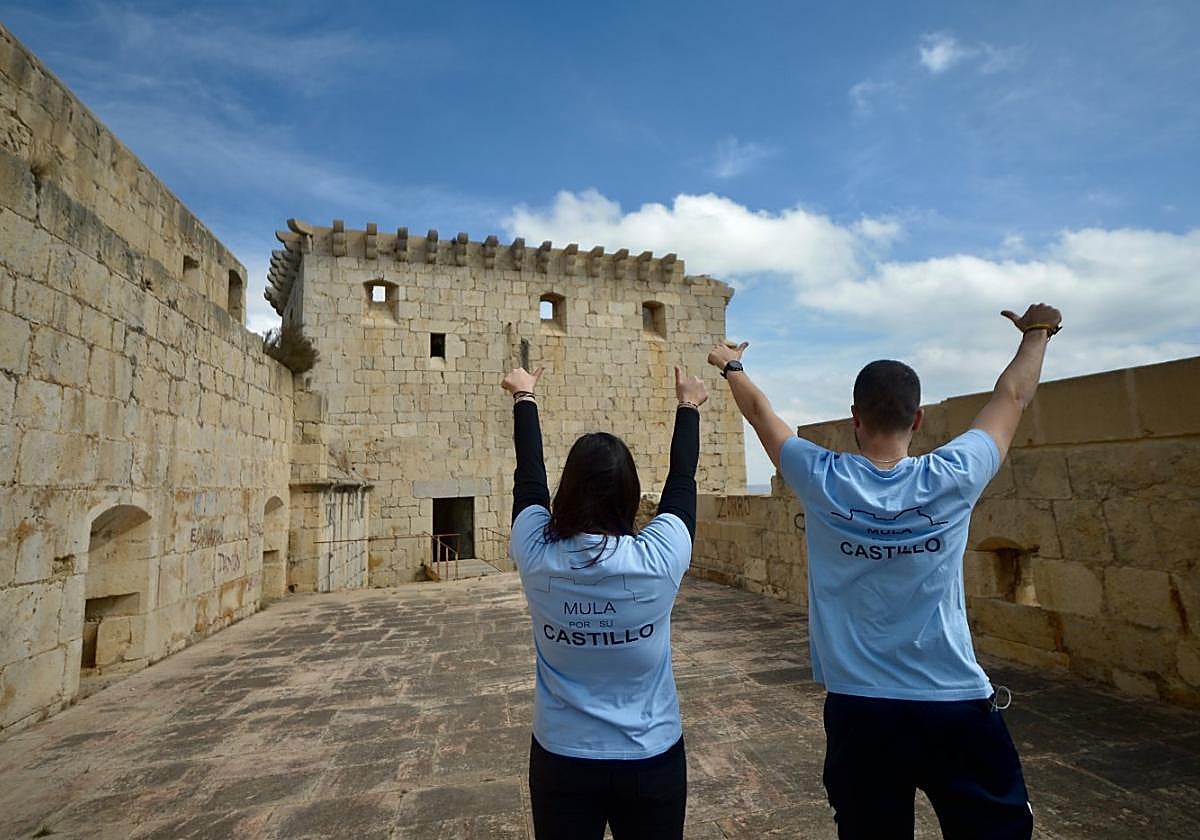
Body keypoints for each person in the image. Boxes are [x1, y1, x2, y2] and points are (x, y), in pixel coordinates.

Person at [706, 303, 1063, 839]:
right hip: (953, 702)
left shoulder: (820, 475)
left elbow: (761, 416)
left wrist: (732, 366)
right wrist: (1037, 333)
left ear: (855, 418)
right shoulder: (955, 473)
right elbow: (1011, 397)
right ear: (917, 419)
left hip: (861, 707)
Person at [502, 363, 709, 840]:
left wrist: (524, 397)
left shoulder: (535, 554)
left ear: (567, 492)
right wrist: (688, 406)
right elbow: (682, 483)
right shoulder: (659, 558)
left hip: (562, 757)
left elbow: (528, 480)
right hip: (651, 755)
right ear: (631, 494)